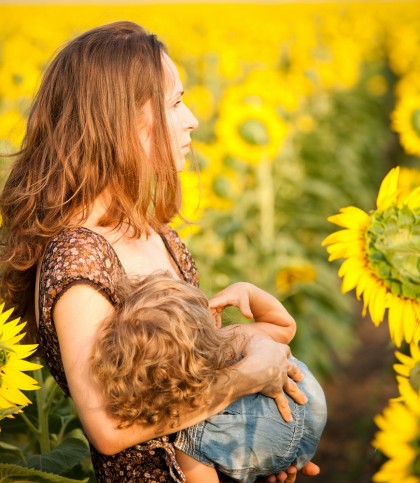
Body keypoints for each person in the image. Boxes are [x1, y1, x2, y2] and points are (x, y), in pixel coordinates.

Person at [0, 21, 320, 482]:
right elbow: (109, 428)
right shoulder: (79, 259)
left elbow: (189, 379)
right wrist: (249, 378)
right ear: (121, 120)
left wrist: (259, 444)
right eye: (174, 102)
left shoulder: (156, 234)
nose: (191, 118)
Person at [91, 272, 327, 483]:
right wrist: (247, 290)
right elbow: (285, 327)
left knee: (190, 444)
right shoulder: (234, 339)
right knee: (265, 347)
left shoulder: (189, 422)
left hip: (266, 454)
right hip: (311, 405)